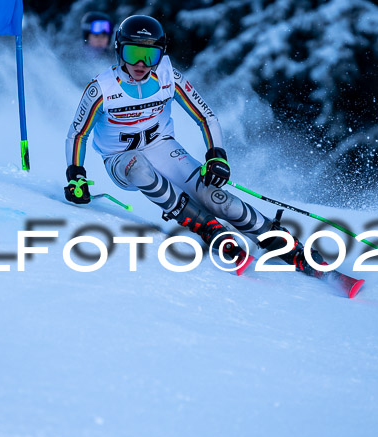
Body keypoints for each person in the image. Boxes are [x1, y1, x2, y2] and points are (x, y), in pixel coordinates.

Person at [64, 15, 325, 276]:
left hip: (162, 147)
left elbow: (205, 116)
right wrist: (76, 176)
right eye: (133, 53)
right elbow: (78, 134)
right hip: (120, 158)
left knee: (218, 199)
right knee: (139, 168)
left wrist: (216, 156)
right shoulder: (102, 89)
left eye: (150, 55)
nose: (141, 64)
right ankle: (207, 227)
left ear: (161, 54)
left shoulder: (168, 77)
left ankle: (289, 247)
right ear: (120, 51)